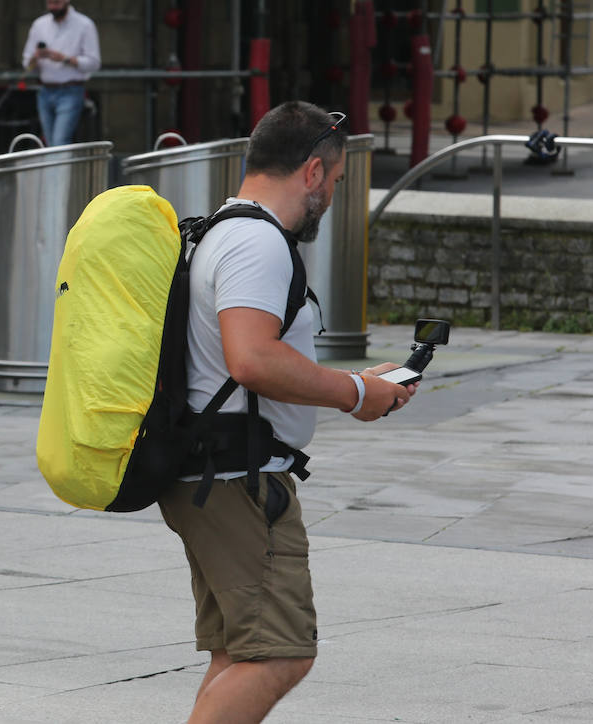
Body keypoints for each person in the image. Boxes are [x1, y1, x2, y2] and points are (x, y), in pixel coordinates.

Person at [157, 101, 416, 724]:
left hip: (213, 472)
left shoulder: (222, 228)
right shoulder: (257, 243)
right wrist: (353, 395)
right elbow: (250, 360)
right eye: (337, 179)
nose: (333, 192)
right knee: (280, 654)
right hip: (238, 482)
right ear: (312, 172)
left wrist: (354, 379)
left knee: (238, 653)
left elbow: (240, 362)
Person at [20, 0, 101, 146]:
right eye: (49, 2)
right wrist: (36, 58)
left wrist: (65, 59)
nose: (53, 7)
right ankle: (57, 173)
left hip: (71, 90)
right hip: (45, 90)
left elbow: (94, 62)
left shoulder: (84, 25)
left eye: (56, 2)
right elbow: (27, 64)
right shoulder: (39, 25)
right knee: (50, 144)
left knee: (59, 142)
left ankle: (62, 172)